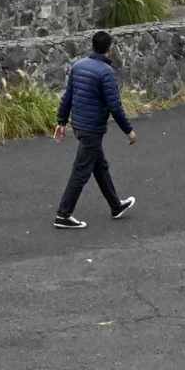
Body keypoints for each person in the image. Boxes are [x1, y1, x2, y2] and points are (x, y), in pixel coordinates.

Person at [52, 30, 138, 229]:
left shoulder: (78, 66)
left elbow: (68, 97)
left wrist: (61, 121)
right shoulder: (105, 72)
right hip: (92, 129)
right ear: (109, 49)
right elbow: (114, 106)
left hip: (80, 125)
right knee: (81, 171)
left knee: (100, 166)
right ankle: (63, 215)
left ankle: (116, 206)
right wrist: (129, 131)